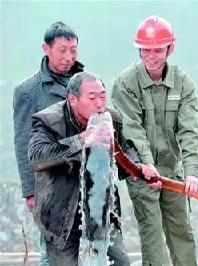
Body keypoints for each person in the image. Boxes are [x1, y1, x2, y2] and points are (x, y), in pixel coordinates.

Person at [28, 71, 160, 266]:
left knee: (120, 262)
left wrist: (139, 167)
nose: (100, 104)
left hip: (101, 208)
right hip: (60, 212)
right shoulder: (49, 121)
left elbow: (123, 148)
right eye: (92, 98)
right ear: (73, 100)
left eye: (102, 96)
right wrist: (82, 140)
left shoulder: (110, 118)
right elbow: (37, 157)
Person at [111, 15, 198, 266]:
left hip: (173, 171)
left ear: (170, 49)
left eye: (157, 50)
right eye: (145, 50)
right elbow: (132, 130)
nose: (151, 56)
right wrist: (146, 165)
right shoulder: (126, 83)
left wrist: (192, 172)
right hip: (140, 171)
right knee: (152, 236)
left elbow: (190, 130)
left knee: (182, 231)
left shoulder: (183, 83)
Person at [13, 21, 84, 265]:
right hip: (50, 182)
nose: (69, 56)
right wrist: (30, 190)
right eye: (62, 50)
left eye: (73, 50)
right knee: (52, 247)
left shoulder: (85, 83)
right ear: (46, 48)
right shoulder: (28, 91)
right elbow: (23, 141)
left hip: (82, 179)